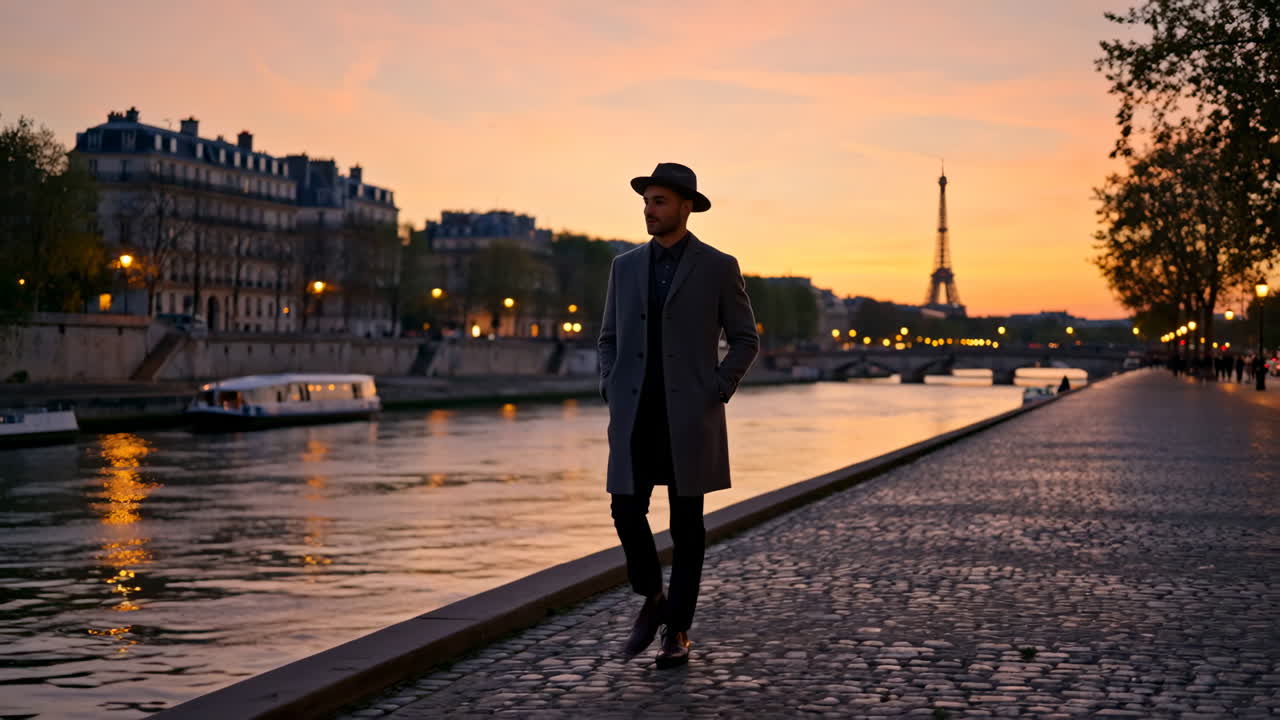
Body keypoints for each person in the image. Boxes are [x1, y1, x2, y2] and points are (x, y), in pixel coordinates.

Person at [598, 162, 759, 668]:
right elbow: (608, 339)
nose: (649, 210)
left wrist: (716, 388)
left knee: (687, 527)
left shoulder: (718, 266)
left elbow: (745, 339)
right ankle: (654, 597)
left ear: (686, 207)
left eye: (659, 201)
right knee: (626, 510)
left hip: (690, 415)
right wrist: (611, 385)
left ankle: (677, 631)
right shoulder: (623, 267)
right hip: (635, 413)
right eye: (646, 201)